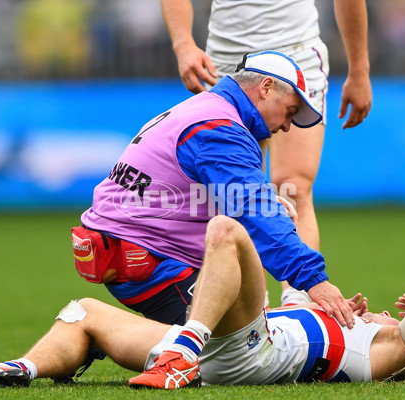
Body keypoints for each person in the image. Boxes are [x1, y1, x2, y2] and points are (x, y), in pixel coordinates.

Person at [0, 215, 405, 389]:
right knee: (83, 312)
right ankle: (17, 370)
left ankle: (182, 351)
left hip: (247, 352)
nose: (381, 313)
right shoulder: (334, 321)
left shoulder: (386, 354)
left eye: (393, 318)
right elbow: (299, 236)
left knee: (226, 230)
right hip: (233, 344)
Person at [71, 50, 354, 329]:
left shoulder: (205, 108)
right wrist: (315, 282)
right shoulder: (221, 128)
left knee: (241, 327)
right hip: (154, 264)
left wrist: (264, 198)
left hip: (125, 252)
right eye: (290, 112)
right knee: (241, 350)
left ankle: (93, 326)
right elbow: (255, 212)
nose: (287, 126)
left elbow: (182, 189)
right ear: (266, 88)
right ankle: (96, 326)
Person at [161, 0, 372, 307]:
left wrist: (360, 69)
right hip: (227, 60)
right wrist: (183, 45)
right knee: (232, 195)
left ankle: (299, 306)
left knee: (292, 187)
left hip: (296, 51)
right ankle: (251, 310)